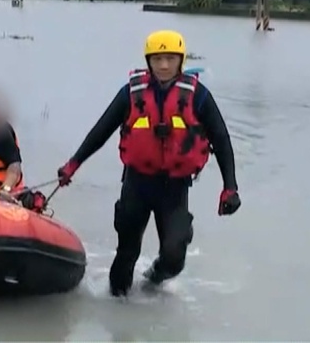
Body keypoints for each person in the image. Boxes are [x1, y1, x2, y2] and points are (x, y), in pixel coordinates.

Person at [55, 30, 242, 297]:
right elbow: (101, 131)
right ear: (148, 61)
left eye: (169, 59)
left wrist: (230, 187)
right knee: (126, 255)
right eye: (157, 59)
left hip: (175, 189)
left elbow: (221, 140)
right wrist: (73, 164)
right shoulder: (131, 93)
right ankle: (119, 321)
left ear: (180, 60)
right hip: (137, 184)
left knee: (174, 257)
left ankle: (153, 279)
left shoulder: (198, 96)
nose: (163, 66)